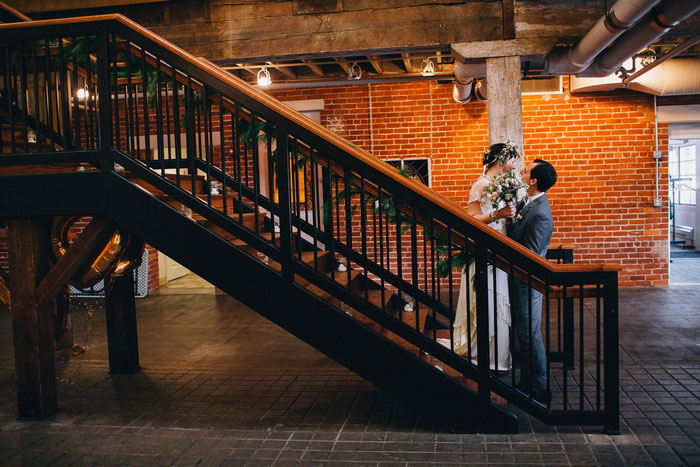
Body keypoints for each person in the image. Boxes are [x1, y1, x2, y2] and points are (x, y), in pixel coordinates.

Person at [450, 142, 517, 371]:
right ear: (501, 159)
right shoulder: (481, 185)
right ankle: (482, 355)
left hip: (499, 249)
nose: (514, 164)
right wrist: (498, 214)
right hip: (485, 252)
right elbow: (471, 220)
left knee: (498, 301)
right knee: (487, 301)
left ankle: (497, 357)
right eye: (512, 159)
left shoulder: (500, 184)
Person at [507, 159, 557, 404]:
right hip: (518, 280)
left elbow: (532, 254)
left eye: (526, 170)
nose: (522, 171)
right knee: (523, 333)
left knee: (530, 334)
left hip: (528, 282)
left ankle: (540, 387)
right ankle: (526, 382)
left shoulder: (541, 215)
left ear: (534, 180)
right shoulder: (530, 203)